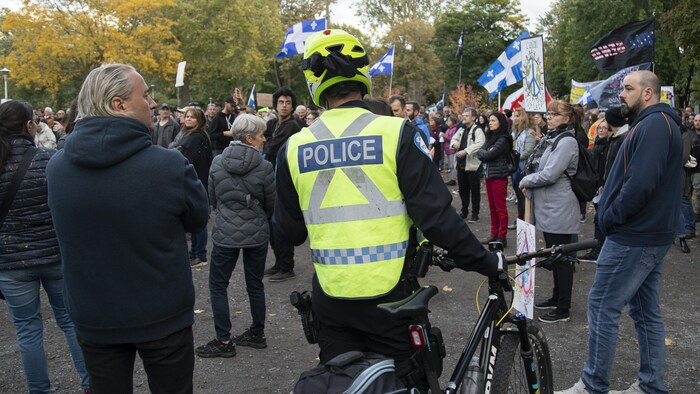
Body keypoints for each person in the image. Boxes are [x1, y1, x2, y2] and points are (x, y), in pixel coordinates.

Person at [273, 29, 503, 389]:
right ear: (361, 74)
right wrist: (487, 262)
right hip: (392, 299)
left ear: (314, 82)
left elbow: (288, 233)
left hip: (331, 300)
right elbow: (438, 218)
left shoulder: (294, 147)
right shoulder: (397, 132)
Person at [46, 63, 209, 394]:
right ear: (118, 104)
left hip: (94, 315)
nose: (152, 103)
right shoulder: (169, 165)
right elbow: (198, 219)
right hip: (162, 313)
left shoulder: (57, 167)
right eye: (146, 94)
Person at [557, 71, 682, 394]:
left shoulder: (655, 125)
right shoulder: (653, 123)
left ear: (649, 94)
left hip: (634, 235)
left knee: (602, 305)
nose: (621, 95)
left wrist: (611, 218)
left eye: (628, 89)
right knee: (645, 312)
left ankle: (593, 384)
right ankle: (650, 385)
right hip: (646, 234)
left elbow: (640, 184)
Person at [0, 100, 90, 394]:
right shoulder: (50, 160)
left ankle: (39, 391)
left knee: (27, 331)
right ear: (29, 126)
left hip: (10, 262)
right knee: (70, 322)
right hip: (55, 256)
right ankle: (90, 384)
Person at [196, 114, 274, 358]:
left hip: (225, 232)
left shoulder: (218, 162)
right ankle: (257, 333)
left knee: (218, 285)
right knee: (254, 283)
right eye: (261, 135)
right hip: (257, 232)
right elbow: (271, 203)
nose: (264, 139)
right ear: (250, 138)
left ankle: (224, 340)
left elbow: (211, 197)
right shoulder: (264, 166)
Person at [520, 100, 581, 323]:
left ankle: (563, 307)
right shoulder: (551, 138)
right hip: (548, 207)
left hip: (560, 207)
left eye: (555, 114)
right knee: (555, 255)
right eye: (549, 113)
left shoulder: (567, 141)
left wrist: (526, 179)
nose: (550, 117)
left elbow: (550, 173)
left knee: (563, 259)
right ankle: (556, 297)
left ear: (567, 117)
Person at [263, 86, 301, 282]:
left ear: (292, 105)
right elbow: (267, 143)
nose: (284, 106)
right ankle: (279, 262)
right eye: (281, 102)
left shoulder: (292, 125)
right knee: (271, 222)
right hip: (270, 176)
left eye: (288, 102)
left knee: (280, 222)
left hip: (284, 178)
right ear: (276, 105)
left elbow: (270, 147)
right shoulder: (272, 123)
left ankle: (287, 266)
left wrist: (266, 141)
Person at [170, 106, 214, 267]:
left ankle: (200, 253)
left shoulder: (197, 137)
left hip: (197, 181)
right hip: (190, 180)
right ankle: (195, 251)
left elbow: (187, 159)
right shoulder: (186, 134)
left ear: (200, 120)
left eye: (192, 117)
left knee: (198, 219)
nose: (188, 119)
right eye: (187, 116)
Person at [477, 112, 513, 247]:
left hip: (499, 176)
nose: (490, 123)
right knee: (493, 207)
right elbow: (483, 152)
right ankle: (494, 233)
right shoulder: (492, 137)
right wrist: (483, 153)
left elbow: (489, 154)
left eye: (493, 120)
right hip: (490, 175)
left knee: (500, 208)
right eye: (489, 121)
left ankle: (502, 236)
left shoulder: (503, 139)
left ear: (500, 122)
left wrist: (483, 153)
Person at [451, 107, 485, 222]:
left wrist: (466, 151)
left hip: (473, 166)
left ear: (473, 118)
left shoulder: (477, 130)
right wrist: (454, 143)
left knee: (475, 192)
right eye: (463, 115)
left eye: (467, 115)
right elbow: (453, 138)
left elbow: (480, 143)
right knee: (463, 190)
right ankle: (464, 211)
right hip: (461, 165)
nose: (464, 117)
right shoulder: (462, 129)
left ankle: (475, 213)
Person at [509, 108, 536, 228]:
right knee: (519, 198)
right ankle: (521, 219)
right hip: (515, 167)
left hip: (523, 168)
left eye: (518, 116)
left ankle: (526, 221)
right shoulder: (514, 133)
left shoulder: (529, 133)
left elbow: (528, 151)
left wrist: (514, 157)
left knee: (524, 197)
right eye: (514, 116)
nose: (515, 118)